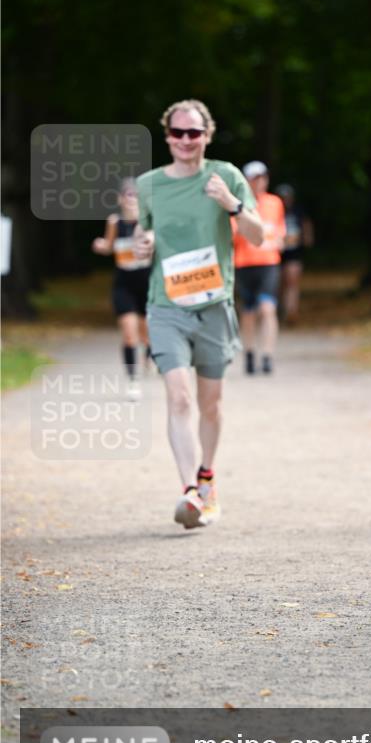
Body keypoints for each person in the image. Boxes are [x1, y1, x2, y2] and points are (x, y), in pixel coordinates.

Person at [133, 99, 263, 529]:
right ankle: (189, 490)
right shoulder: (149, 184)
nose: (186, 140)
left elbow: (259, 236)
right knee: (179, 396)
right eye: (177, 132)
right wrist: (142, 243)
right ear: (167, 136)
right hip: (166, 305)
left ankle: (207, 476)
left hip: (213, 304)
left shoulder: (225, 175)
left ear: (207, 135)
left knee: (211, 404)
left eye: (194, 133)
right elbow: (143, 229)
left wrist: (231, 203)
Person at [91, 178, 151, 400]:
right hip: (123, 285)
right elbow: (109, 246)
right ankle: (133, 379)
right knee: (129, 334)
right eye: (128, 194)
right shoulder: (115, 222)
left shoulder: (148, 222)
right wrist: (101, 246)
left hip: (147, 284)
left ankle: (149, 356)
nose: (132, 199)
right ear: (120, 198)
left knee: (147, 335)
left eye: (136, 195)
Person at [234, 161, 286, 374]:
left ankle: (267, 356)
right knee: (249, 312)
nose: (260, 182)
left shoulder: (275, 202)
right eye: (255, 178)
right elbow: (231, 235)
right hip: (244, 263)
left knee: (268, 308)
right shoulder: (238, 204)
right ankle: (249, 352)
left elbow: (280, 229)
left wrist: (280, 239)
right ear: (247, 181)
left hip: (269, 262)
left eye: (263, 177)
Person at [276, 183, 314, 325]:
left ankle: (292, 311)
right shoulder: (273, 211)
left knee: (292, 281)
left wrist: (308, 237)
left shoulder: (298, 211)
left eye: (287, 197)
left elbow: (306, 224)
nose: (285, 200)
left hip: (294, 252)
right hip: (277, 253)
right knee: (280, 284)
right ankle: (281, 310)